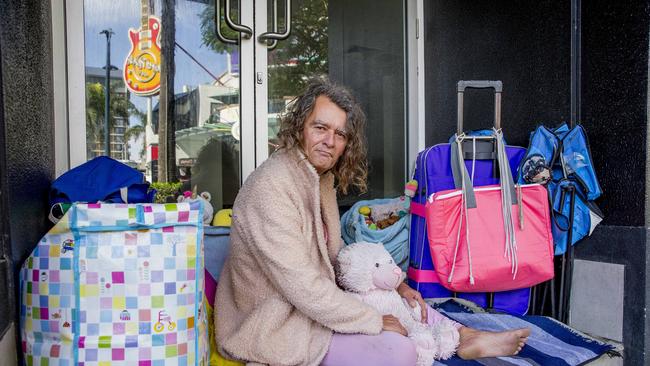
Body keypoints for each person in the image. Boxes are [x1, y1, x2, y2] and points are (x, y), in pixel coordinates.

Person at [214, 79, 530, 366]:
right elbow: (304, 287)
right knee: (400, 351)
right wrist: (373, 320)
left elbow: (335, 258)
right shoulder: (270, 187)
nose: (329, 141)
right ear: (300, 128)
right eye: (320, 128)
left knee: (400, 301)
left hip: (309, 310)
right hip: (273, 327)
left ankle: (463, 335)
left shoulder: (316, 179)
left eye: (340, 134)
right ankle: (449, 338)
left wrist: (397, 285)